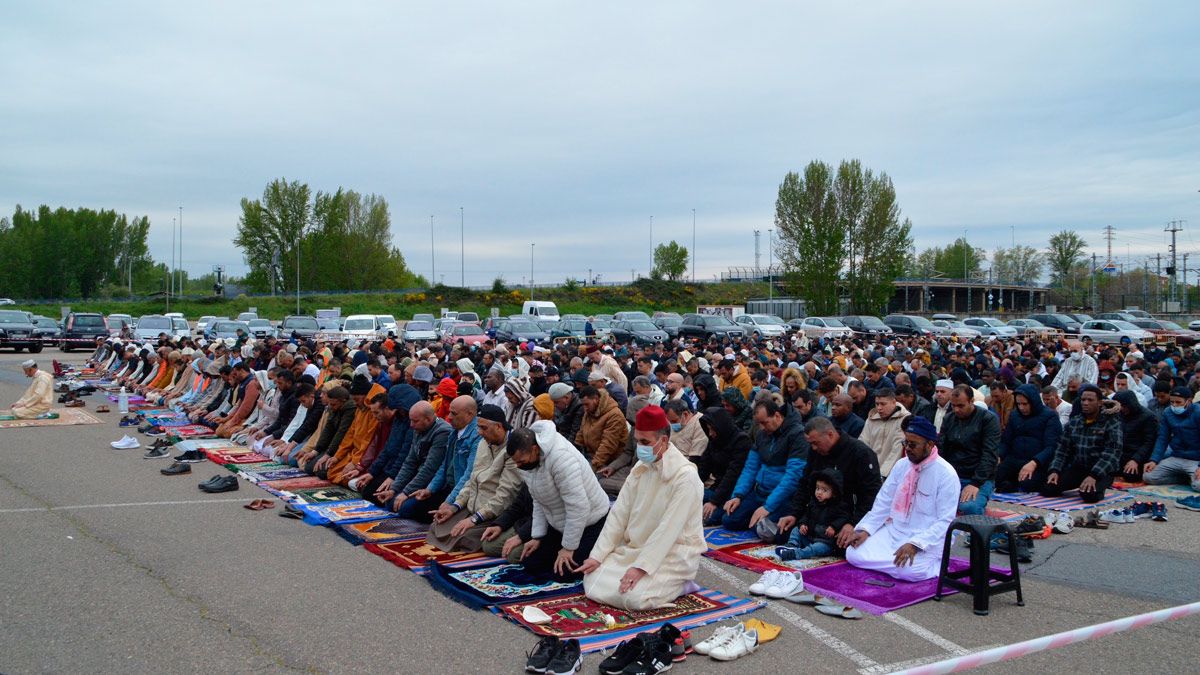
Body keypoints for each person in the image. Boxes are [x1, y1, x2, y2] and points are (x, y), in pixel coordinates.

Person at [578, 405, 705, 611]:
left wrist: (641, 568)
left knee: (634, 599)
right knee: (592, 582)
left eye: (645, 442)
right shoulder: (641, 468)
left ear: (663, 440)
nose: (640, 447)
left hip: (672, 554)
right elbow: (619, 514)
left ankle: (681, 584)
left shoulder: (685, 477)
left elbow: (668, 530)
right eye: (637, 441)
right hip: (635, 549)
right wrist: (597, 555)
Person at [845, 416, 960, 582]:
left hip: (926, 538)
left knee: (911, 572)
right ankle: (894, 564)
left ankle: (935, 565)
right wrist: (866, 530)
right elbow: (883, 503)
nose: (907, 449)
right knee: (853, 553)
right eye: (905, 443)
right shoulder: (901, 465)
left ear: (930, 445)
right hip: (896, 531)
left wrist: (915, 544)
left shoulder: (946, 474)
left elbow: (945, 521)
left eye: (913, 445)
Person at [510, 423, 611, 581]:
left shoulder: (561, 458)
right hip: (560, 523)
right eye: (516, 462)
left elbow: (578, 507)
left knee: (564, 573)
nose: (519, 466)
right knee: (531, 564)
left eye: (521, 461)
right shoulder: (529, 463)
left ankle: (604, 552)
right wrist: (537, 536)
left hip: (591, 521)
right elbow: (538, 499)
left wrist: (568, 548)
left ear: (535, 449)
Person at [777, 416, 883, 550]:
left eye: (816, 443)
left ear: (830, 434)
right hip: (817, 514)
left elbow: (871, 495)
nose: (813, 448)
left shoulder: (861, 453)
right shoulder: (815, 451)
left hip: (845, 516)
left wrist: (853, 523)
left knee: (847, 547)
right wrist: (794, 513)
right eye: (811, 444)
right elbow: (805, 483)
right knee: (782, 533)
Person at [429, 403, 522, 553]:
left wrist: (474, 519)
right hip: (473, 507)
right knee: (438, 525)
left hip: (493, 513)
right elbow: (472, 479)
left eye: (483, 428)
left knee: (464, 536)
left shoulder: (512, 450)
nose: (479, 432)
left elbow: (505, 495)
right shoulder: (483, 443)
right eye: (478, 427)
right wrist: (454, 506)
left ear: (498, 427)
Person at [722, 396, 808, 540]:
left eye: (764, 423)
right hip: (760, 491)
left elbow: (792, 477)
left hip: (783, 496)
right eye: (759, 423)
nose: (762, 428)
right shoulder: (763, 435)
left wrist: (768, 506)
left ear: (777, 416)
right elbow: (750, 468)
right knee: (729, 519)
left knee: (766, 530)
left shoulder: (797, 435)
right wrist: (738, 495)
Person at [1042, 385, 1122, 503]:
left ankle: (1099, 487)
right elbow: (1062, 449)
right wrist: (1055, 470)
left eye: (1090, 400)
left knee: (1088, 495)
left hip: (1102, 471)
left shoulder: (1111, 423)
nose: (1085, 403)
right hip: (1079, 467)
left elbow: (1112, 454)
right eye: (1083, 400)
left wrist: (1094, 476)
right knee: (1048, 488)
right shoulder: (1075, 422)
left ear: (1099, 403)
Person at [383, 401, 453, 519]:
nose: (411, 425)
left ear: (429, 419)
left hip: (433, 485)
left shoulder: (442, 432)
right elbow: (409, 462)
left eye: (415, 421)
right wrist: (394, 488)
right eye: (411, 420)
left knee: (404, 508)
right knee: (389, 501)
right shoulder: (418, 429)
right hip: (418, 477)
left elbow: (430, 469)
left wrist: (406, 492)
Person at [995, 384, 1062, 493]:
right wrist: (999, 456)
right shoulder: (1014, 415)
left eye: (1025, 404)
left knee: (1027, 483)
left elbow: (1052, 446)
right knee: (995, 475)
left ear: (1033, 402)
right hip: (1015, 458)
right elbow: (1006, 441)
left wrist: (1034, 463)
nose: (1021, 407)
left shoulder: (1050, 416)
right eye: (1019, 404)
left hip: (1037, 462)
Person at [774, 469, 851, 561]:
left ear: (834, 493)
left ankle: (796, 554)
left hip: (825, 542)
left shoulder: (839, 506)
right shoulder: (813, 503)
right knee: (796, 530)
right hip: (810, 536)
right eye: (817, 488)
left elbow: (844, 517)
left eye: (824, 490)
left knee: (814, 549)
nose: (819, 492)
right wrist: (803, 524)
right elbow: (807, 515)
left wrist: (834, 527)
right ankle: (792, 545)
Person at [698, 407, 751, 526]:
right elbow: (704, 467)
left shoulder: (741, 441)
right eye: (708, 430)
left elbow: (732, 475)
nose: (710, 434)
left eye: (712, 429)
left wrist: (714, 502)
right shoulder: (714, 440)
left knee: (711, 518)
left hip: (732, 491)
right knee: (689, 497)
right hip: (717, 488)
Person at [1144, 386, 1200, 492]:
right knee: (1148, 476)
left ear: (1189, 401)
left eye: (1178, 402)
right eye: (1172, 402)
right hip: (1177, 456)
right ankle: (1183, 478)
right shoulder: (1168, 412)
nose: (1174, 405)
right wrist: (1154, 460)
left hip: (1196, 459)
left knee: (1198, 486)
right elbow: (1163, 438)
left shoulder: (1198, 412)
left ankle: (1190, 478)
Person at [859, 388, 911, 476]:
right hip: (868, 471)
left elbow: (896, 451)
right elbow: (863, 444)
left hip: (890, 474)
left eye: (883, 404)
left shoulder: (905, 419)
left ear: (894, 402)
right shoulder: (871, 418)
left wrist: (882, 475)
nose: (879, 408)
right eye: (877, 404)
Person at [578, 385, 628, 472]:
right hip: (592, 455)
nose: (584, 408)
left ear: (596, 399)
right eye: (583, 405)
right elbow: (581, 433)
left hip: (609, 460)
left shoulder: (615, 415)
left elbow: (608, 443)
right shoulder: (590, 410)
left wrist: (594, 465)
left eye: (586, 404)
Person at [1113, 390, 1157, 483]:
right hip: (1119, 453)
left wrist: (1135, 460)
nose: (1121, 409)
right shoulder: (1118, 414)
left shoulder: (1148, 417)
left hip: (1137, 455)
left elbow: (1149, 442)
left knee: (1130, 475)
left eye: (1123, 406)